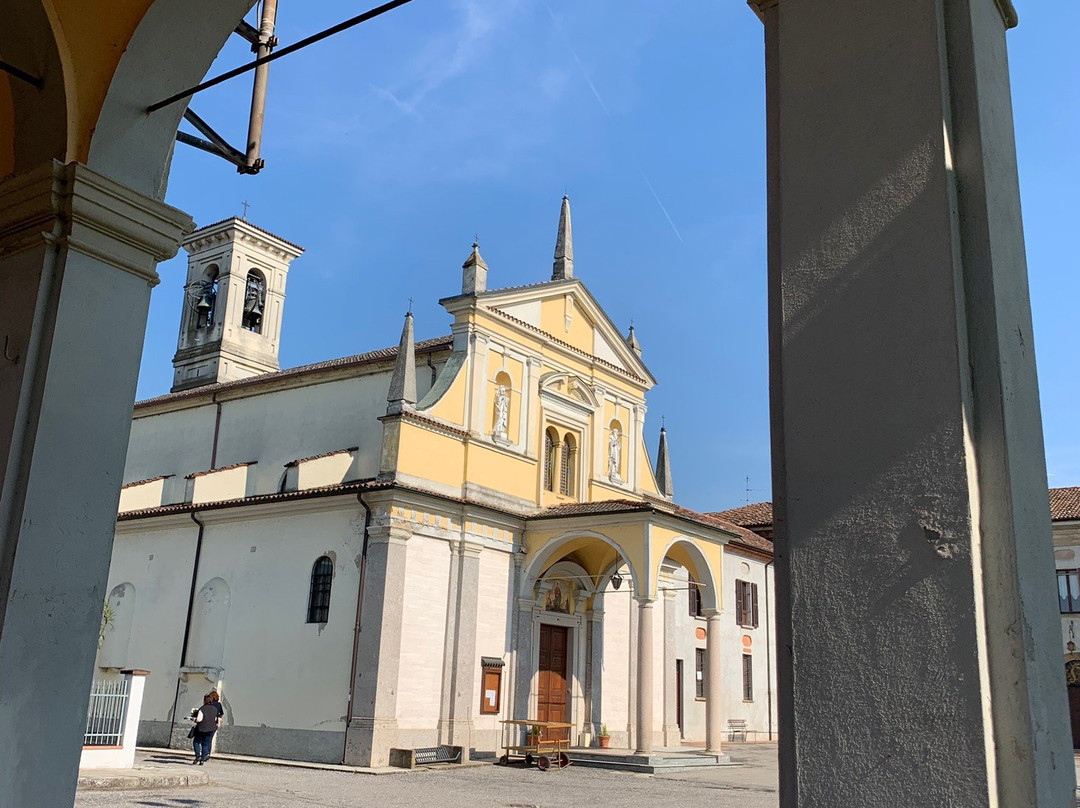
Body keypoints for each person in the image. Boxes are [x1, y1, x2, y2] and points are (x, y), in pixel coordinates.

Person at [191, 692, 221, 764]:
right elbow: (215, 719)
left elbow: (199, 719)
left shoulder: (202, 709)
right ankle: (203, 759)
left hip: (202, 728)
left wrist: (193, 719)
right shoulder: (215, 709)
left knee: (196, 741)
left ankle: (198, 755)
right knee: (205, 744)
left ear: (204, 701)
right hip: (211, 728)